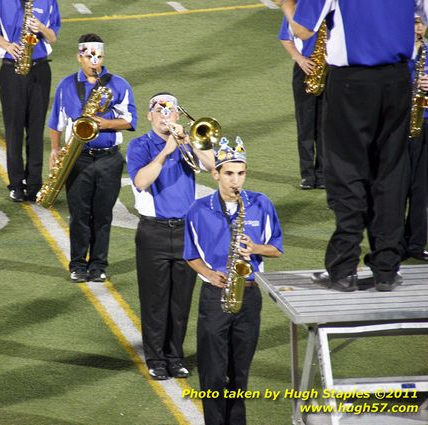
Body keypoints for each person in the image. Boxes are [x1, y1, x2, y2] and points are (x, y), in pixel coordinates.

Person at [281, 0, 428, 292]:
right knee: (391, 170)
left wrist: (286, 4)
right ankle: (386, 268)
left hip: (352, 83)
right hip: (398, 78)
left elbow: (301, 30)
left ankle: (344, 268)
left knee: (344, 169)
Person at [183, 137, 283, 425]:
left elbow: (276, 247)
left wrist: (255, 248)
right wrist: (209, 273)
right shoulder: (197, 209)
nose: (235, 180)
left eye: (240, 173)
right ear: (215, 174)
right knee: (213, 373)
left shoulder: (261, 204)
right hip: (215, 296)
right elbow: (190, 255)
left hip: (249, 296)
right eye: (229, 173)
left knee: (240, 373)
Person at [126, 93, 215, 380]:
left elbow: (213, 167)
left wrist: (188, 142)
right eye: (159, 109)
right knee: (155, 301)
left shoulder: (187, 144)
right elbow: (141, 182)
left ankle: (175, 357)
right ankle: (155, 359)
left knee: (181, 301)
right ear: (150, 115)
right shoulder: (140, 145)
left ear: (178, 115)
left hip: (187, 231)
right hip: (153, 232)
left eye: (171, 110)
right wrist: (166, 150)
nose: (165, 114)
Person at [48, 33, 137, 283]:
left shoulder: (118, 84)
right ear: (79, 57)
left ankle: (98, 266)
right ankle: (77, 264)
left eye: (98, 56)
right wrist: (55, 150)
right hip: (77, 158)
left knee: (103, 215)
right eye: (89, 56)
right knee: (79, 215)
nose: (94, 61)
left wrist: (107, 123)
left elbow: (131, 121)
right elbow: (56, 122)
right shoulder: (66, 85)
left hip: (109, 159)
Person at [0, 0, 60, 202]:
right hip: (12, 70)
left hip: (40, 70)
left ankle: (35, 183)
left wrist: (42, 28)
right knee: (14, 130)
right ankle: (16, 184)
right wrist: (8, 45)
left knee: (36, 130)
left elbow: (53, 37)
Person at [278, 11, 324, 190]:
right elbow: (285, 37)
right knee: (305, 124)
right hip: (305, 68)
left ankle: (322, 175)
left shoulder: (333, 9)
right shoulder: (297, 11)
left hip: (330, 70)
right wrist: (299, 59)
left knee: (325, 125)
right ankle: (307, 175)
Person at [402, 15, 428, 262]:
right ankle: (394, 244)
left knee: (422, 188)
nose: (419, 27)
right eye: (414, 22)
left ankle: (417, 244)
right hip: (399, 125)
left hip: (425, 123)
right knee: (398, 187)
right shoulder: (396, 54)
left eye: (422, 22)